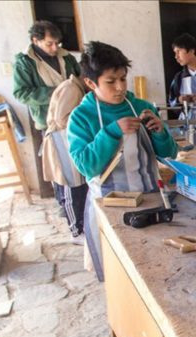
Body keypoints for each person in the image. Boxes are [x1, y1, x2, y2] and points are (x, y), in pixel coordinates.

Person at [68, 42, 178, 281]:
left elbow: (169, 154)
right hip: (109, 206)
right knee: (119, 274)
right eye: (110, 81)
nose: (119, 87)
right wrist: (111, 132)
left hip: (150, 199)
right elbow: (86, 166)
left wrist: (160, 132)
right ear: (90, 83)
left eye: (123, 79)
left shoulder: (141, 107)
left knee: (154, 268)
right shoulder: (81, 117)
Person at [13, 20, 80, 210]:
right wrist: (57, 93)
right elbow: (21, 93)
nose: (54, 48)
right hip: (48, 121)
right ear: (36, 40)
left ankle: (76, 202)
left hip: (74, 118)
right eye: (49, 43)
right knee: (58, 165)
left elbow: (79, 79)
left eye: (57, 43)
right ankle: (63, 203)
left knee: (75, 164)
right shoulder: (25, 63)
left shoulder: (66, 57)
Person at [43, 73, 89, 244]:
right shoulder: (71, 88)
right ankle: (76, 232)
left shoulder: (75, 88)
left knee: (78, 187)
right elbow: (62, 120)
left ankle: (80, 227)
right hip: (62, 141)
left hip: (69, 141)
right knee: (71, 187)